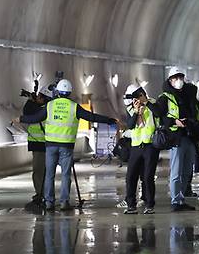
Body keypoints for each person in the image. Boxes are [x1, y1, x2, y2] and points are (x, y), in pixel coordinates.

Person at [16, 79, 118, 211]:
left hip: (51, 146)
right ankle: (64, 202)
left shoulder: (50, 106)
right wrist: (109, 120)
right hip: (66, 146)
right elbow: (91, 117)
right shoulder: (74, 106)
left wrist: (21, 119)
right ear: (69, 92)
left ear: (57, 91)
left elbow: (36, 118)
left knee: (49, 175)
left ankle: (49, 202)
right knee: (65, 175)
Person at [153, 67, 199, 212]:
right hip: (176, 139)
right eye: (175, 78)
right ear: (170, 80)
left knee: (187, 171)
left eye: (180, 77)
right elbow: (160, 116)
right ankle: (176, 200)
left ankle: (181, 198)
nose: (178, 80)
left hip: (190, 136)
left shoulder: (189, 96)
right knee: (176, 171)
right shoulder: (165, 97)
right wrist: (174, 122)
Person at [122, 84, 159, 215]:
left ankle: (149, 204)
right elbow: (131, 125)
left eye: (138, 95)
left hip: (150, 145)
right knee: (131, 176)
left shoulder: (153, 102)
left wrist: (146, 103)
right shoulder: (131, 108)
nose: (136, 99)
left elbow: (159, 112)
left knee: (148, 176)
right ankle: (131, 205)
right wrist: (137, 111)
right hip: (136, 146)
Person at [22, 86, 53, 207]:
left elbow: (28, 111)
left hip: (41, 144)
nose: (37, 97)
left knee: (39, 172)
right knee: (44, 172)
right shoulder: (45, 107)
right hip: (44, 143)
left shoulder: (43, 109)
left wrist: (30, 99)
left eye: (39, 96)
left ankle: (41, 195)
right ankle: (44, 194)